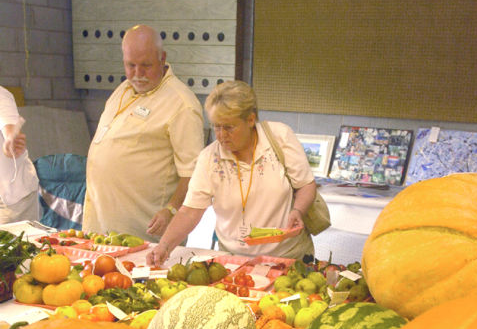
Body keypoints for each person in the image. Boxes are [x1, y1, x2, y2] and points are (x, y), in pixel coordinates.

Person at [146, 80, 317, 265]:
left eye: (228, 127)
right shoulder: (209, 158)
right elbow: (189, 212)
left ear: (250, 120)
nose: (221, 135)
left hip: (288, 256)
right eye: (216, 126)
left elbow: (306, 184)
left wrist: (298, 210)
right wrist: (164, 246)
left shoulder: (279, 137)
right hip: (234, 262)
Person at [83, 24, 205, 243]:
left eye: (146, 65)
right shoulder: (123, 89)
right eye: (131, 65)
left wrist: (172, 210)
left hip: (142, 233)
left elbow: (194, 173)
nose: (138, 74)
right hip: (100, 226)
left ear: (162, 58)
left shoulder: (182, 104)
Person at [0, 86, 40, 224]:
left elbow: (9, 128)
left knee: (13, 245)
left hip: (12, 198)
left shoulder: (2, 96)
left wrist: (11, 141)